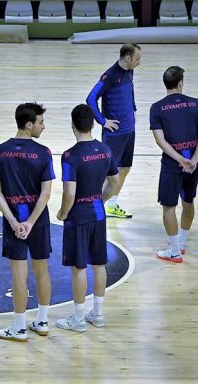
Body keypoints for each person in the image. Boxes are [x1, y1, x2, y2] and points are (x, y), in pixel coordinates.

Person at [0, 103, 55, 342]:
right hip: (37, 219)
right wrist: (30, 222)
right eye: (40, 122)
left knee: (19, 273)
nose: (43, 127)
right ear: (29, 125)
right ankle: (43, 320)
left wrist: (14, 221)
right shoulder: (43, 153)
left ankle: (19, 327)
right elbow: (46, 193)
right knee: (42, 269)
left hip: (13, 220)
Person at [55, 104, 120, 332]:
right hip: (98, 213)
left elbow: (69, 193)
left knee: (79, 267)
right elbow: (114, 184)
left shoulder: (70, 156)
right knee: (99, 264)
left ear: (72, 125)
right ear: (93, 124)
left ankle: (78, 318)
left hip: (78, 217)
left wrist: (63, 213)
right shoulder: (105, 150)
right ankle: (98, 314)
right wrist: (100, 200)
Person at [149, 67, 198, 263]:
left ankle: (174, 251)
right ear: (181, 83)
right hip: (193, 165)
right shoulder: (196, 103)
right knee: (188, 201)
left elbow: (160, 140)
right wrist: (192, 159)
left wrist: (179, 159)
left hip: (171, 165)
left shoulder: (157, 108)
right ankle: (181, 242)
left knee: (168, 207)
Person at [86, 43, 142, 218]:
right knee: (107, 173)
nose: (139, 62)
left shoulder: (129, 71)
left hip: (129, 130)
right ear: (127, 58)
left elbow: (130, 89)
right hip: (115, 135)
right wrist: (103, 121)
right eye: (137, 58)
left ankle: (111, 205)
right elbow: (91, 98)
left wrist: (133, 109)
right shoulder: (110, 75)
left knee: (124, 168)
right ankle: (93, 207)